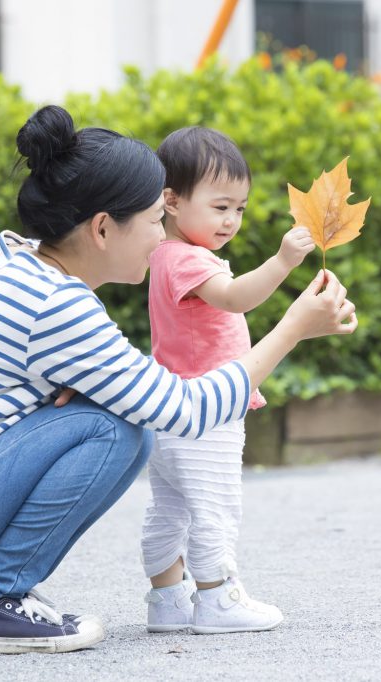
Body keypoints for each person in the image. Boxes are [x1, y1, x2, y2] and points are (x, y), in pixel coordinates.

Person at [0, 105, 357, 655]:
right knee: (120, 431)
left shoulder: (17, 260)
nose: (163, 239)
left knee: (111, 414)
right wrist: (294, 328)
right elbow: (184, 410)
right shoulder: (56, 305)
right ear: (103, 227)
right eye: (156, 220)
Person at [139, 127, 314, 635]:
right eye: (220, 207)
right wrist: (283, 262)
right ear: (171, 200)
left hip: (170, 412)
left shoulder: (163, 255)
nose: (232, 221)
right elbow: (236, 297)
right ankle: (216, 598)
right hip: (206, 413)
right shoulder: (188, 260)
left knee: (170, 510)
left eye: (238, 208)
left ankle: (168, 598)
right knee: (216, 506)